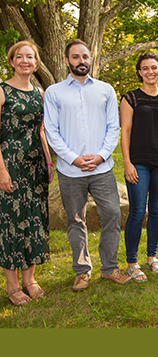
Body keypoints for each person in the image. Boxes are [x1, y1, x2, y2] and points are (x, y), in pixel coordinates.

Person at [44, 39, 130, 291]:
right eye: (75, 57)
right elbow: (51, 130)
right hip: (70, 171)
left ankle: (109, 268)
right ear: (67, 60)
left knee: (113, 214)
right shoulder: (54, 92)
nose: (81, 60)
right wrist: (73, 158)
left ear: (90, 59)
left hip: (101, 169)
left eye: (85, 56)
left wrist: (102, 155)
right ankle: (82, 271)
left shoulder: (105, 90)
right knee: (75, 220)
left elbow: (113, 127)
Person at [120, 52, 158, 281]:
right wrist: (127, 163)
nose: (150, 72)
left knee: (156, 210)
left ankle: (151, 257)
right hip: (138, 162)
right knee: (137, 211)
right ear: (139, 72)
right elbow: (124, 131)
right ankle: (132, 262)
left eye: (154, 67)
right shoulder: (130, 99)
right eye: (145, 68)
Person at [0, 41, 53, 305]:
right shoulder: (2, 91)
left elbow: (40, 131)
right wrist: (2, 171)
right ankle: (12, 286)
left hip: (35, 167)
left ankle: (30, 280)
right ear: (11, 62)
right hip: (9, 165)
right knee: (11, 224)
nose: (24, 61)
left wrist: (48, 163)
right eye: (19, 57)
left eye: (30, 57)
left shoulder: (39, 93)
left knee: (34, 220)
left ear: (35, 62)